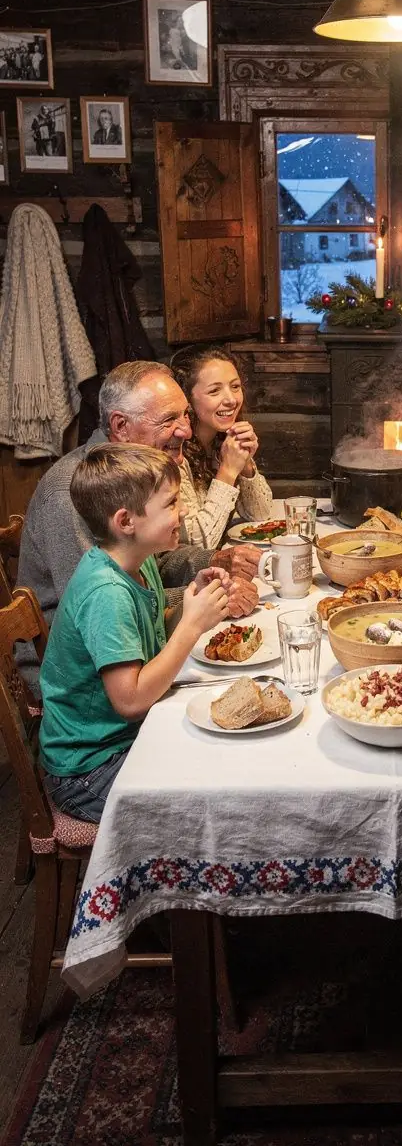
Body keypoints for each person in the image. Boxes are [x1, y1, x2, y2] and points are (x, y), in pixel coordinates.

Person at [18, 361, 261, 694]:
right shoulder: (73, 492)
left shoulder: (137, 474)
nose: (186, 432)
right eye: (169, 419)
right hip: (79, 688)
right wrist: (197, 603)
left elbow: (151, 564)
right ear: (121, 425)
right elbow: (105, 609)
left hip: (132, 651)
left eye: (185, 415)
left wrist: (212, 562)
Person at [38, 444, 231, 823]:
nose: (184, 511)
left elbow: (152, 635)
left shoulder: (138, 564)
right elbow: (130, 699)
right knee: (214, 793)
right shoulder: (106, 593)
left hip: (125, 739)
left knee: (224, 752)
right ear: (126, 522)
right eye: (171, 504)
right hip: (89, 768)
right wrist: (191, 627)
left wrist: (193, 604)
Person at [171, 345, 275, 549]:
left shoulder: (224, 439)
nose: (231, 400)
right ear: (187, 399)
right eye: (214, 391)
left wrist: (245, 467)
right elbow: (197, 545)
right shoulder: (175, 453)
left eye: (235, 387)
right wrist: (228, 471)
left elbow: (260, 514)